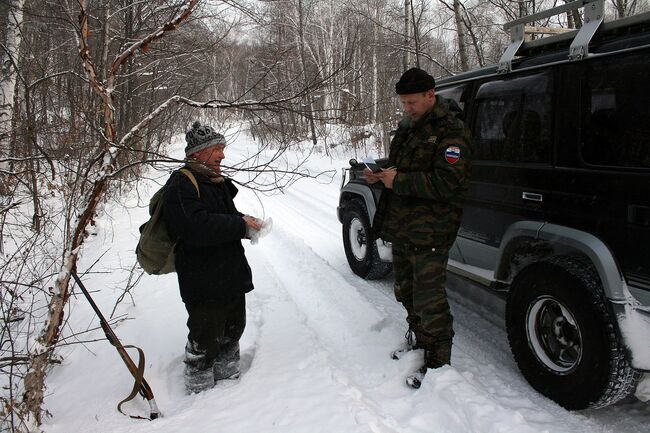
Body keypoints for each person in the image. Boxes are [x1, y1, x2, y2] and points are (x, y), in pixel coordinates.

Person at [365, 67, 472, 389]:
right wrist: (381, 172)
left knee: (430, 299)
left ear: (430, 95)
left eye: (412, 102)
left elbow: (449, 184)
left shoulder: (451, 132)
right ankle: (418, 342)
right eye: (403, 103)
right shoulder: (409, 127)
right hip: (403, 225)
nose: (407, 108)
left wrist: (399, 180)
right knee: (406, 291)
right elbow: (404, 166)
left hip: (432, 230)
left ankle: (438, 366)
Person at [163, 121, 262, 394]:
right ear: (197, 153)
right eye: (217, 149)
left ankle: (230, 384)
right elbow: (195, 228)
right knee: (205, 339)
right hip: (203, 280)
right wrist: (239, 226)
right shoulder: (181, 184)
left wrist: (244, 221)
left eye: (223, 148)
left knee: (233, 331)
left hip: (230, 275)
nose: (222, 155)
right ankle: (200, 394)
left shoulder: (215, 181)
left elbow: (222, 219)